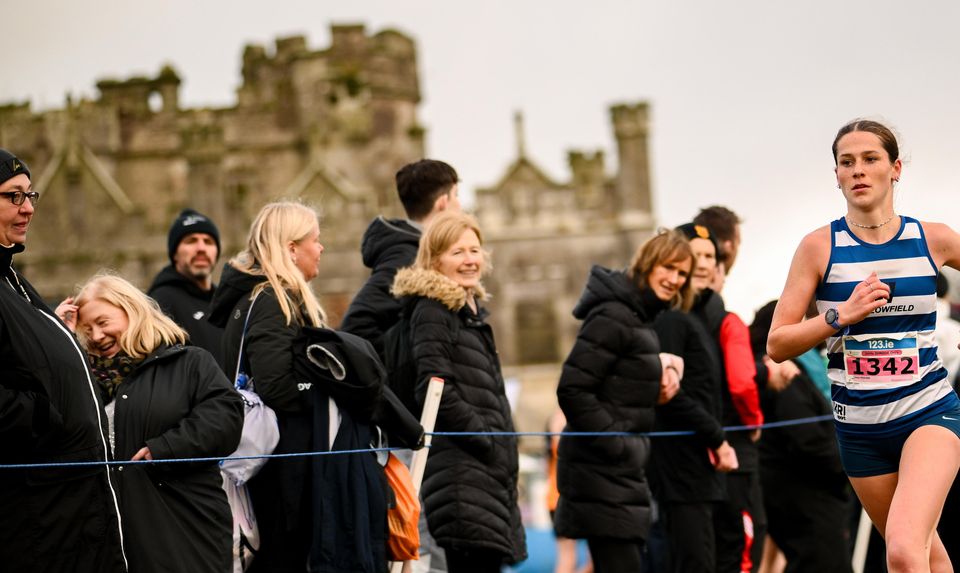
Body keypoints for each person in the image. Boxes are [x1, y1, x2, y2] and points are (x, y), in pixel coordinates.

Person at [767, 119, 960, 572]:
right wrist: (839, 316)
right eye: (846, 162)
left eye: (870, 159)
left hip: (929, 413)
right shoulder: (818, 247)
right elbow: (777, 343)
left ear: (894, 169)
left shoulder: (932, 238)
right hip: (860, 430)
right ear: (836, 175)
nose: (858, 170)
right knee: (925, 554)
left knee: (902, 549)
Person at [210, 200, 390, 572]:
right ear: (291, 248)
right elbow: (275, 385)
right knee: (285, 556)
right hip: (283, 465)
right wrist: (324, 390)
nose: (320, 248)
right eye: (315, 239)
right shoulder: (274, 299)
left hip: (270, 462)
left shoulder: (251, 298)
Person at [58, 273, 243, 573]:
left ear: (131, 310)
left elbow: (227, 417)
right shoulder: (80, 378)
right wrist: (61, 340)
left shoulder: (190, 362)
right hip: (107, 543)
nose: (96, 336)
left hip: (185, 533)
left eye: (103, 323)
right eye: (86, 329)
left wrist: (167, 448)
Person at [0, 149, 127, 573]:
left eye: (30, 195)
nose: (29, 208)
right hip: (38, 515)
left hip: (70, 511)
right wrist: (45, 419)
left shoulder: (13, 279)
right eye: (13, 197)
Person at [390, 211, 526, 572]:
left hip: (483, 474)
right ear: (435, 260)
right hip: (462, 472)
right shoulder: (434, 310)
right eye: (457, 252)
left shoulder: (470, 312)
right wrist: (488, 441)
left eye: (475, 250)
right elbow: (435, 389)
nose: (470, 260)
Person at [554, 229, 690, 572]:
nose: (675, 279)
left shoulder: (638, 318)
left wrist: (660, 373)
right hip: (600, 469)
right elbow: (572, 388)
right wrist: (619, 444)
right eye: (669, 268)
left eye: (682, 274)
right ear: (648, 263)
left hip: (618, 472)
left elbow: (618, 389)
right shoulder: (614, 314)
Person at [677, 221, 767, 573]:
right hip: (730, 450)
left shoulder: (666, 318)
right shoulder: (727, 321)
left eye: (708, 256)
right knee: (741, 544)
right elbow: (742, 383)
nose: (702, 263)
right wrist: (754, 422)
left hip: (691, 454)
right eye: (694, 255)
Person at [649, 224, 739, 573]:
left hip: (697, 464)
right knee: (693, 560)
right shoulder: (672, 320)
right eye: (674, 268)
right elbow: (673, 395)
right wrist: (718, 439)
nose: (680, 276)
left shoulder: (694, 318)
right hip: (683, 463)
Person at [750, 300, 852, 573]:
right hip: (803, 490)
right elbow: (806, 438)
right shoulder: (786, 370)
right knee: (823, 562)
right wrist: (847, 466)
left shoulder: (794, 368)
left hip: (794, 487)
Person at [341, 158, 461, 355]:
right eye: (457, 195)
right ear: (443, 202)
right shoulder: (405, 257)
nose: (460, 205)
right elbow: (356, 329)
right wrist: (413, 356)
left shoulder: (421, 251)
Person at [148, 208, 223, 357]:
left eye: (208, 241)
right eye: (191, 241)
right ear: (175, 254)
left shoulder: (224, 301)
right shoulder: (160, 302)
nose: (201, 248)